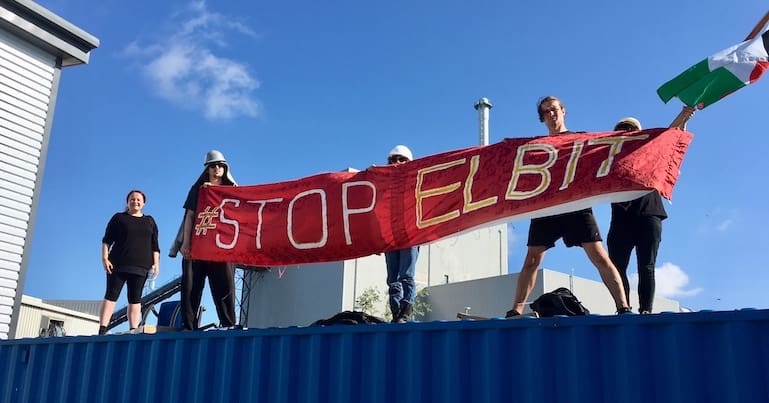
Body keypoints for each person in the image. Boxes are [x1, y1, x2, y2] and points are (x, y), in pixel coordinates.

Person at [505, 96, 631, 317]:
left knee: (599, 256)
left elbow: (608, 152)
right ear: (542, 118)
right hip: (547, 207)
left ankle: (623, 306)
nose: (551, 114)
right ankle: (515, 309)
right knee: (532, 259)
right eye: (546, 112)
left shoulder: (581, 139)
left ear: (563, 111)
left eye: (554, 109)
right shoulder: (535, 147)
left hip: (576, 205)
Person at [608, 107, 695, 314]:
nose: (625, 132)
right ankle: (623, 308)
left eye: (630, 129)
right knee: (616, 269)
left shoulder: (649, 151)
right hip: (621, 217)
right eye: (621, 129)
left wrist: (683, 116)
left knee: (646, 266)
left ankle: (646, 309)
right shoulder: (609, 157)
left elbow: (670, 137)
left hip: (648, 214)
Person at [177, 150, 238, 330]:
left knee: (225, 285)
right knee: (191, 286)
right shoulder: (198, 190)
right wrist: (186, 243)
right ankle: (189, 325)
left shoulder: (233, 190)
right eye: (213, 165)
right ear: (207, 168)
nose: (216, 168)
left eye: (220, 165)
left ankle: (227, 323)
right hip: (198, 244)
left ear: (225, 167)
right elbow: (189, 216)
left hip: (221, 246)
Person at [99, 190, 160, 334]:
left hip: (141, 267)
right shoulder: (119, 218)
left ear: (143, 203)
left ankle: (133, 329)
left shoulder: (149, 221)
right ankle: (102, 328)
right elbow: (106, 240)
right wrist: (105, 258)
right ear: (127, 202)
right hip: (117, 265)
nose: (135, 201)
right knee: (111, 295)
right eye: (132, 199)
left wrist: (156, 264)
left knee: (135, 298)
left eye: (138, 199)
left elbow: (155, 246)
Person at [384, 145, 419, 323]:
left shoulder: (416, 182)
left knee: (406, 274)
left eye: (401, 159)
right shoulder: (382, 186)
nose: (396, 162)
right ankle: (396, 312)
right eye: (393, 159)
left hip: (409, 235)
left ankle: (406, 310)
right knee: (392, 278)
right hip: (390, 237)